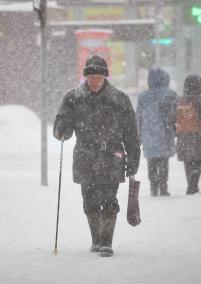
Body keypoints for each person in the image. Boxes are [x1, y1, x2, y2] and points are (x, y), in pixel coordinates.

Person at [53, 55, 140, 257]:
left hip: (113, 155)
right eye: (91, 77)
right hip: (85, 156)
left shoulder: (119, 99)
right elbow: (61, 124)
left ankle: (106, 242)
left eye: (98, 77)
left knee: (109, 199)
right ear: (86, 77)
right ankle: (96, 239)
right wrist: (61, 130)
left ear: (105, 77)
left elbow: (131, 132)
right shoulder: (73, 97)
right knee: (90, 200)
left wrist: (134, 156)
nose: (94, 81)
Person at [136, 67, 177, 196]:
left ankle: (153, 187)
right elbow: (175, 114)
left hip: (148, 133)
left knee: (151, 161)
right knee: (164, 161)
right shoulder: (170, 94)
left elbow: (138, 116)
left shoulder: (143, 96)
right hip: (165, 132)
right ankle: (163, 187)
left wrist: (138, 133)